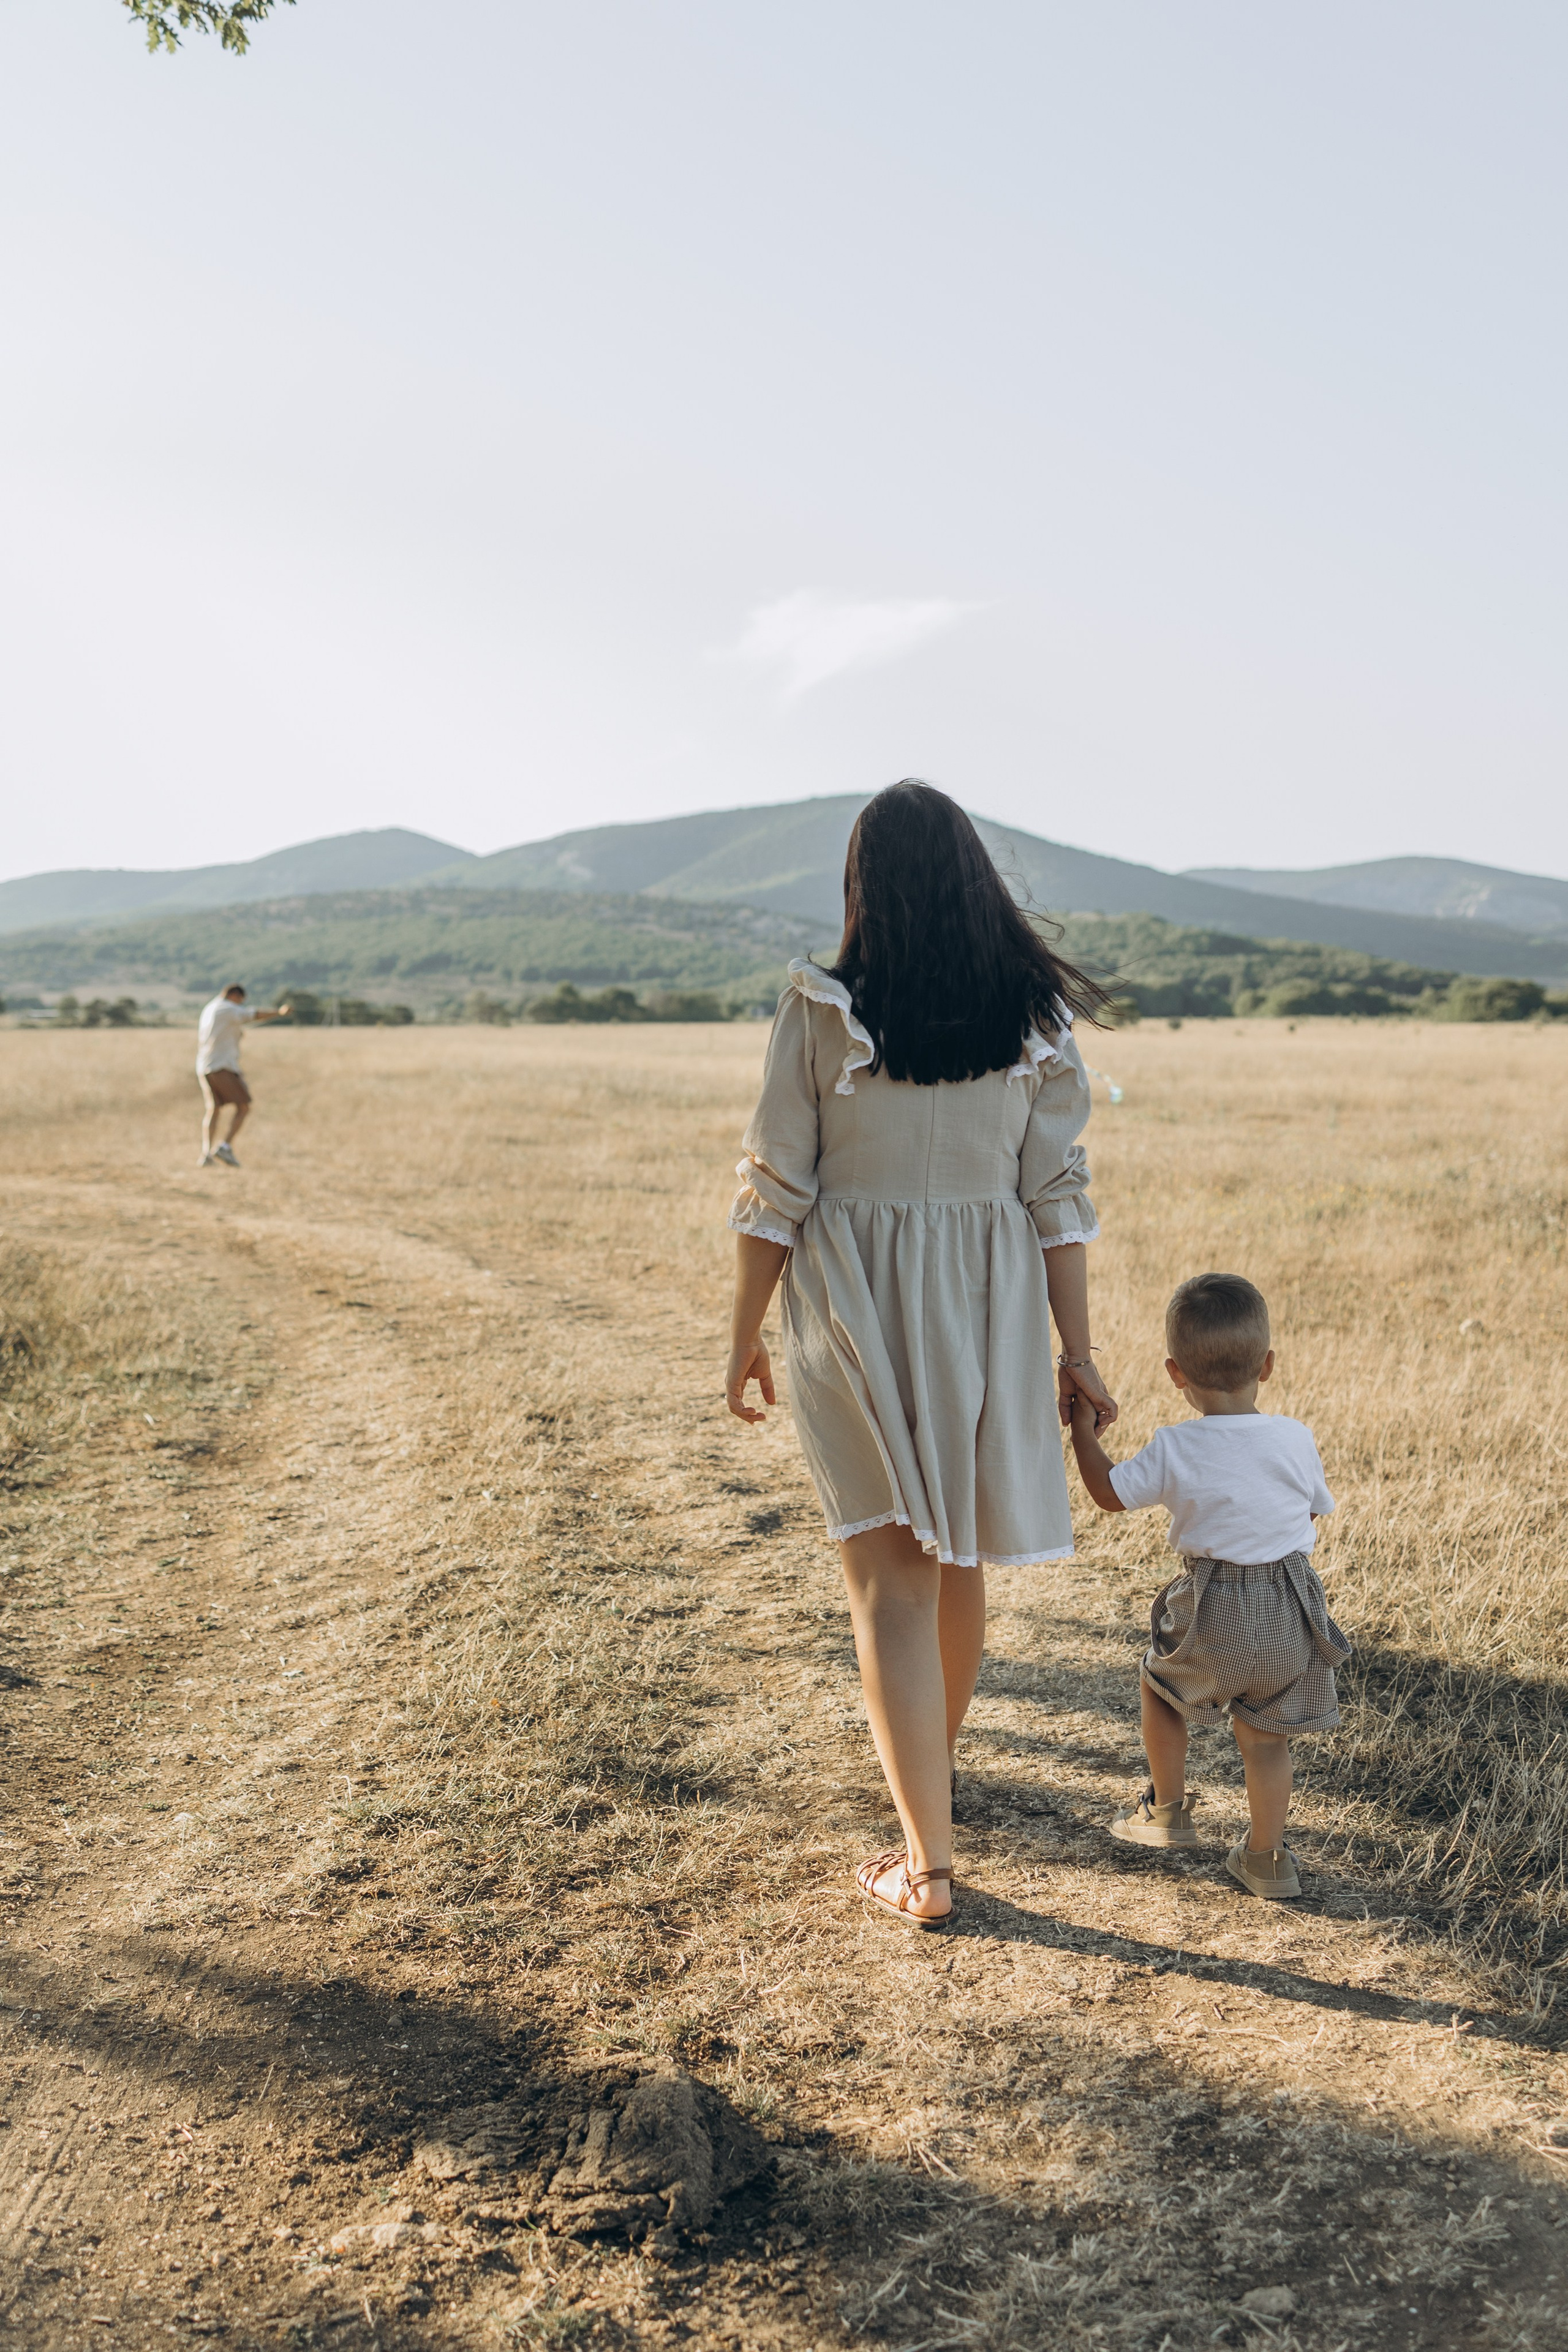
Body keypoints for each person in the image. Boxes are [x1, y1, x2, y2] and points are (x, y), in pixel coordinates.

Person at [723, 780, 1117, 1929]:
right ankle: (924, 1801)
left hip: (851, 1299)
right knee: (955, 1563)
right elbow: (1057, 1201)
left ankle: (926, 1864)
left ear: (864, 885)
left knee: (889, 1578)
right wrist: (1077, 1350)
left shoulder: (820, 1008)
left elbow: (774, 1188)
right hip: (989, 1302)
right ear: (973, 881)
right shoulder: (1035, 1021)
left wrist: (742, 1334)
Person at [1068, 1272, 1350, 1900]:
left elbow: (1108, 1494)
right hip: (1288, 1610)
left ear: (1175, 1374)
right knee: (1266, 1741)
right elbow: (1310, 1512)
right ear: (1267, 1365)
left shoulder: (1176, 1446)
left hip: (1212, 1607)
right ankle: (1267, 1860)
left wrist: (1082, 1431)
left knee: (1163, 1687)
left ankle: (1166, 1810)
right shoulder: (1294, 1436)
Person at [195, 985, 291, 1168]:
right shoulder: (227, 1008)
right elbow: (252, 1014)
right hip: (222, 1066)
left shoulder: (210, 1008)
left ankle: (206, 1154)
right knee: (244, 1107)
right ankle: (225, 1147)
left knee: (213, 1109)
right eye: (240, 1001)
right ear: (234, 995)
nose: (240, 1005)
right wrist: (279, 1012)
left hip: (205, 1065)